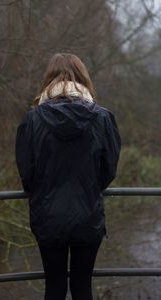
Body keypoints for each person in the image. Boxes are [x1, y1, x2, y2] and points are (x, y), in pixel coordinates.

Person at [15, 53, 121, 300]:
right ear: (83, 78)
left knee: (54, 287)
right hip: (88, 216)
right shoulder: (103, 118)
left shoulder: (31, 120)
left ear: (48, 80)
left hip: (48, 216)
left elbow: (26, 174)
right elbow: (109, 170)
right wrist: (90, 186)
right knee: (83, 287)